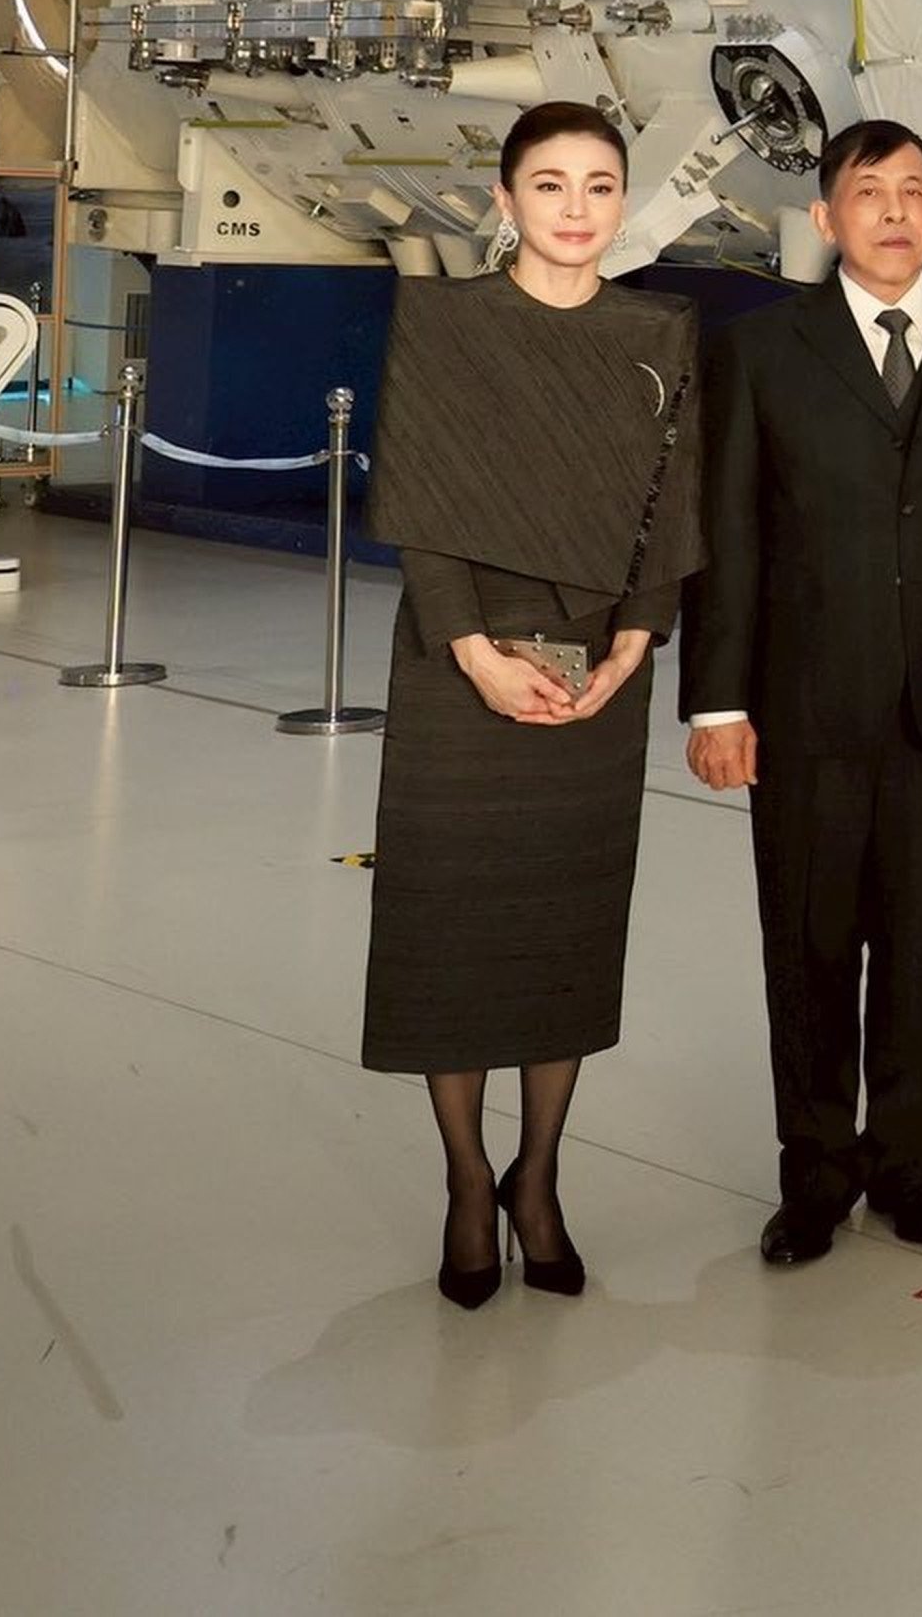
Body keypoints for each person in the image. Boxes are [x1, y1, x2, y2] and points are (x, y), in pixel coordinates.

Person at [685, 119, 922, 1264]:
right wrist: (716, 702)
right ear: (829, 218)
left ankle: (909, 1165)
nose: (894, 211)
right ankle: (814, 1176)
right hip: (800, 710)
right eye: (869, 191)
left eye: (914, 192)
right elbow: (729, 535)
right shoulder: (760, 350)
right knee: (805, 945)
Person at [361, 99, 703, 1308]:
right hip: (460, 667)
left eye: (599, 185)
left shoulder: (660, 330)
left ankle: (539, 1173)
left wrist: (631, 648)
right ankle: (465, 1178)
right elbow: (420, 501)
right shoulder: (447, 324)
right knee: (450, 932)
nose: (575, 208)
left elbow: (672, 510)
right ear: (504, 200)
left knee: (562, 934)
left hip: (596, 667)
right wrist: (474, 651)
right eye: (548, 185)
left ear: (623, 201)